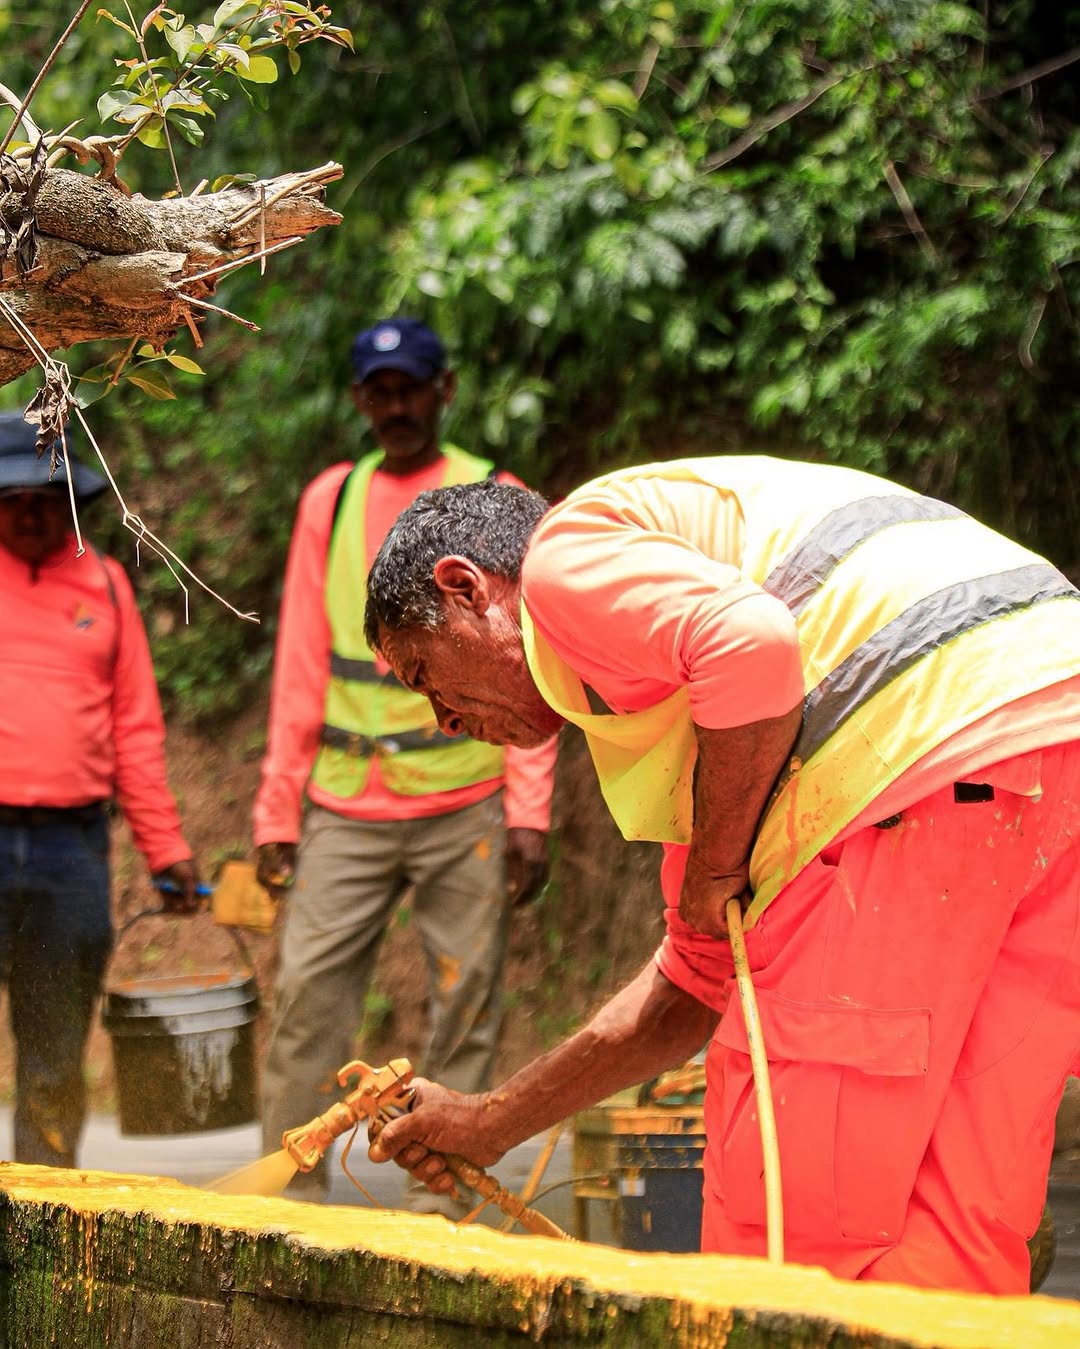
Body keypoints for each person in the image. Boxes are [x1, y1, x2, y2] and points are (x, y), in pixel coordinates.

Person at [362, 455, 1080, 1294]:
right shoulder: (708, 707)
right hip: (1050, 716)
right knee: (956, 1214)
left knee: (789, 1224)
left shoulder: (560, 565)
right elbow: (694, 977)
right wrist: (491, 1121)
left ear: (466, 587)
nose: (444, 719)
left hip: (924, 747)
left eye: (424, 674)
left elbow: (750, 644)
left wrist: (716, 864)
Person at [253, 317, 557, 1206]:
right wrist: (277, 808)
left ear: (443, 390)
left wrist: (528, 811)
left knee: (466, 1001)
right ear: (360, 400)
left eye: (411, 388)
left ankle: (442, 1208)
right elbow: (299, 662)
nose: (396, 406)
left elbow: (534, 659)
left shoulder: (494, 495)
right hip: (346, 799)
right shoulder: (332, 500)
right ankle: (288, 1201)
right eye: (379, 392)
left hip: (463, 799)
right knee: (307, 995)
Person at [0, 410, 202, 1169]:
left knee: (54, 1056)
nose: (29, 513)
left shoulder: (107, 586)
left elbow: (135, 732)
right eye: (12, 499)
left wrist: (166, 848)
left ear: (72, 500)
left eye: (44, 498)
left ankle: (37, 1215)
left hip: (71, 853)